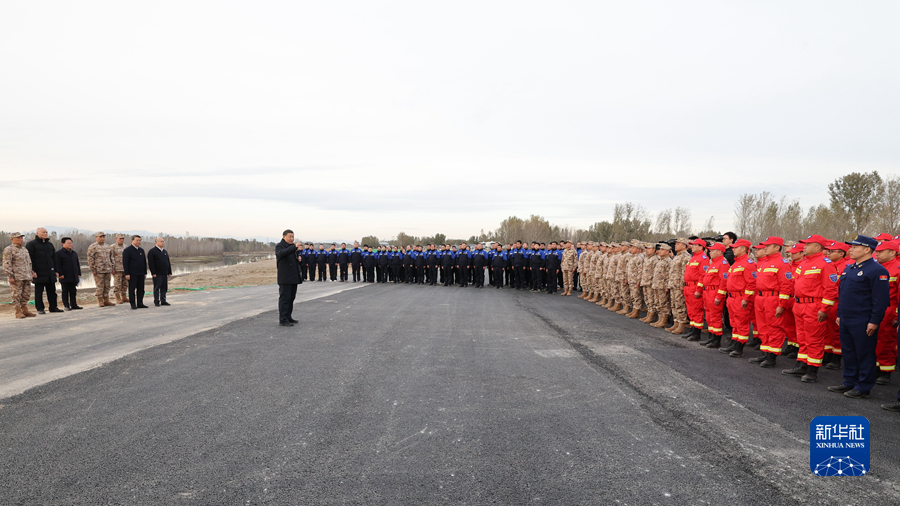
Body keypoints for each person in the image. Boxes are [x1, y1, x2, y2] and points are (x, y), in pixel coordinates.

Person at [826, 236, 890, 398]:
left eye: (855, 247)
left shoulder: (877, 270)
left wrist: (874, 321)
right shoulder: (849, 268)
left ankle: (863, 386)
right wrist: (840, 314)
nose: (851, 250)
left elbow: (880, 300)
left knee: (864, 353)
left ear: (867, 249)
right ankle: (849, 381)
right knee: (848, 351)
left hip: (863, 319)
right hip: (846, 317)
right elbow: (843, 294)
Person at [782, 235, 839, 383]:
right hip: (800, 305)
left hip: (814, 306)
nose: (804, 247)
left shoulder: (825, 264)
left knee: (814, 339)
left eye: (808, 244)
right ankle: (802, 365)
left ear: (818, 247)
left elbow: (831, 289)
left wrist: (824, 309)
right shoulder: (804, 263)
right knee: (802, 337)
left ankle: (812, 370)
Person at [747, 237, 793, 367]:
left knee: (774, 328)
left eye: (768, 246)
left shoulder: (782, 263)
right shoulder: (764, 263)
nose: (764, 248)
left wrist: (782, 304)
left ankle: (771, 357)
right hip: (761, 298)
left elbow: (786, 286)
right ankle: (765, 353)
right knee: (763, 328)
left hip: (773, 299)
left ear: (777, 248)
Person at [718, 239, 756, 357]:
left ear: (744, 249)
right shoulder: (735, 263)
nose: (733, 249)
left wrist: (746, 298)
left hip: (740, 298)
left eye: (736, 247)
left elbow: (752, 283)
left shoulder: (749, 264)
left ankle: (739, 348)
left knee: (742, 323)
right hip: (732, 298)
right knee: (734, 323)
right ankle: (734, 343)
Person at [873, 241, 900, 385]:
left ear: (892, 253)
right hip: (875, 309)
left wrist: (896, 315)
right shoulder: (876, 267)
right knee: (875, 340)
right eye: (876, 251)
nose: (877, 254)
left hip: (889, 310)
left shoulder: (897, 269)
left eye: (881, 251)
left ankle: (885, 372)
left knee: (886, 342)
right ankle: (876, 368)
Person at [26, 227, 61, 314]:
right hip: (38, 272)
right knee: (39, 292)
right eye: (43, 232)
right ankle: (40, 308)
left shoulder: (50, 245)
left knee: (52, 291)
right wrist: (32, 271)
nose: (45, 233)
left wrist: (56, 270)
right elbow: (29, 260)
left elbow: (54, 258)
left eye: (46, 232)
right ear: (37, 233)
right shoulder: (31, 244)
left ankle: (53, 307)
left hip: (50, 272)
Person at [3, 232, 36, 318]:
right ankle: (18, 312)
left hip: (26, 276)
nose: (20, 240)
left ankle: (25, 310)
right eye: (18, 238)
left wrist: (31, 273)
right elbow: (6, 263)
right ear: (12, 239)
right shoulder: (9, 249)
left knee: (26, 294)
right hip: (17, 276)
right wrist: (10, 276)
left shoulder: (24, 249)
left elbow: (28, 263)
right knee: (16, 295)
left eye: (21, 238)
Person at [682, 239, 709, 340]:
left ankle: (696, 333)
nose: (692, 247)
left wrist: (699, 289)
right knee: (691, 310)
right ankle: (692, 330)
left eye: (694, 245)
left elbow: (703, 276)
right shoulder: (693, 258)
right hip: (688, 286)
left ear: (701, 247)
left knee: (697, 310)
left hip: (695, 287)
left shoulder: (703, 258)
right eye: (692, 245)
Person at [275, 230, 301, 326]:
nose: (291, 239)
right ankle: (283, 319)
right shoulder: (279, 246)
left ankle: (288, 316)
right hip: (285, 278)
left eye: (292, 237)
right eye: (290, 237)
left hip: (293, 277)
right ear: (284, 236)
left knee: (291, 298)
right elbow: (282, 253)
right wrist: (294, 247)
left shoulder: (292, 247)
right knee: (285, 299)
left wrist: (299, 260)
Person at [87, 232, 116, 307]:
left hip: (107, 269)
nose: (102, 238)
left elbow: (111, 257)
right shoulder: (92, 247)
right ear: (96, 237)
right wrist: (93, 269)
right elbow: (90, 259)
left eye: (103, 237)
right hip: (99, 270)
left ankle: (106, 300)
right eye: (100, 237)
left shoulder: (107, 246)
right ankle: (100, 301)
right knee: (100, 286)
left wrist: (113, 267)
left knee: (107, 286)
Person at [55, 237, 83, 310]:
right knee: (65, 291)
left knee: (73, 291)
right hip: (64, 276)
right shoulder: (59, 253)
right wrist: (60, 274)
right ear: (63, 244)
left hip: (73, 275)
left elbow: (77, 264)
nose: (70, 244)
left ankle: (74, 304)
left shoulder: (74, 253)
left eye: (71, 243)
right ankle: (66, 305)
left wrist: (79, 273)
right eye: (68, 243)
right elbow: (57, 265)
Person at [122, 235, 149, 309]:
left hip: (141, 273)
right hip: (132, 273)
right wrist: (127, 273)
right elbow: (125, 263)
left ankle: (140, 303)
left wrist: (145, 272)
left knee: (141, 289)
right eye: (137, 240)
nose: (138, 242)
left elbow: (144, 262)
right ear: (132, 240)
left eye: (139, 240)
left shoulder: (141, 250)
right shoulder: (127, 250)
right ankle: (133, 304)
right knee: (132, 289)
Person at [147, 237, 173, 306]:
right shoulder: (152, 251)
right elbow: (151, 263)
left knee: (164, 287)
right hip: (157, 273)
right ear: (156, 242)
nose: (162, 243)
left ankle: (163, 300)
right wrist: (153, 272)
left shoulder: (164, 251)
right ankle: (156, 301)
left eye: (163, 241)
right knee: (157, 287)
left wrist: (169, 271)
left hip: (164, 272)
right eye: (161, 241)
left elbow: (168, 262)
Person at [111, 233, 129, 305]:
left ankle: (124, 297)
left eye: (122, 239)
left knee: (125, 284)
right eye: (120, 239)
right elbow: (111, 258)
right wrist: (113, 268)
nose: (121, 240)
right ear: (116, 239)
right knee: (117, 284)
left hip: (125, 268)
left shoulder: (126, 247)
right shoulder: (113, 247)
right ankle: (118, 298)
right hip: (117, 268)